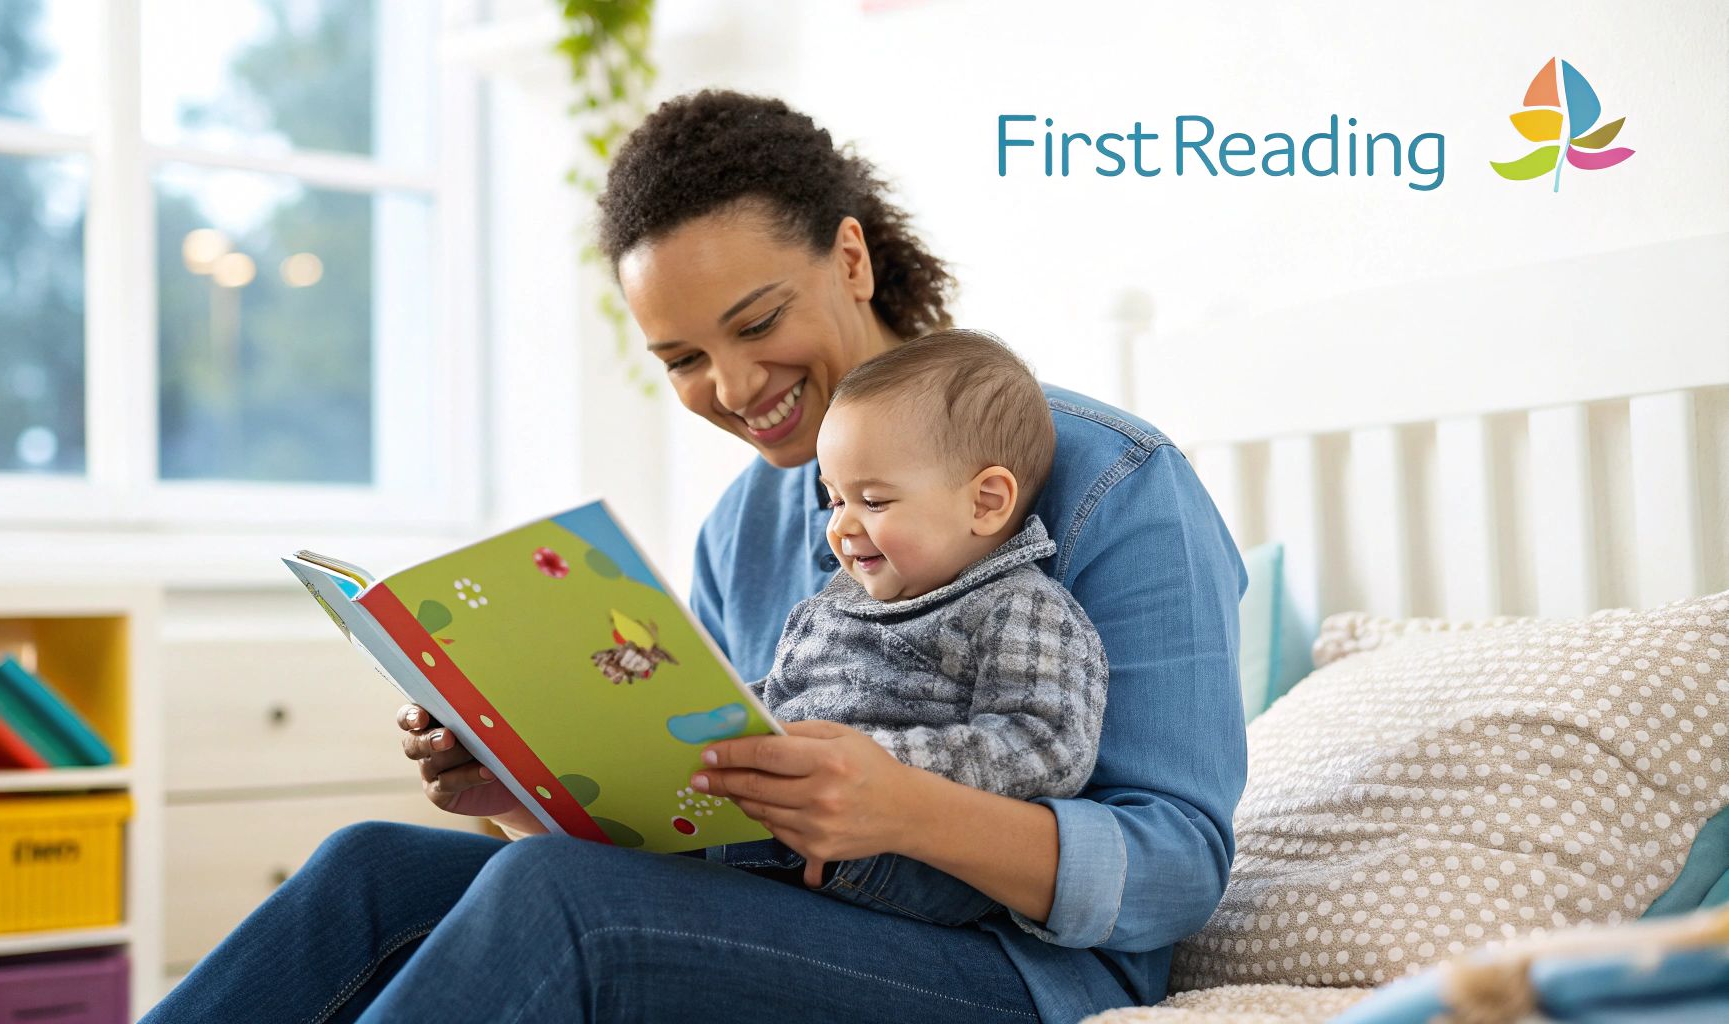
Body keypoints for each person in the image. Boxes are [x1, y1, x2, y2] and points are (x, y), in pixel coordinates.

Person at [143, 90, 1247, 1024]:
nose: (730, 387)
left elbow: (1177, 869)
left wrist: (901, 808)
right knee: (365, 869)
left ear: (849, 257)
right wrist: (529, 785)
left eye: (756, 321)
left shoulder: (1111, 480)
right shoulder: (745, 523)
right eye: (680, 357)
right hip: (804, 913)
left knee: (555, 902)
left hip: (1025, 971)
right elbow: (706, 825)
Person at [720, 327, 1110, 927]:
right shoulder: (833, 607)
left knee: (636, 851)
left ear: (985, 503)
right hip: (815, 828)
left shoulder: (1021, 606)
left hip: (916, 863)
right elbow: (783, 704)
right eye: (833, 500)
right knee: (585, 832)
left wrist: (881, 768)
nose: (840, 528)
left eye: (873, 501)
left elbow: (1048, 746)